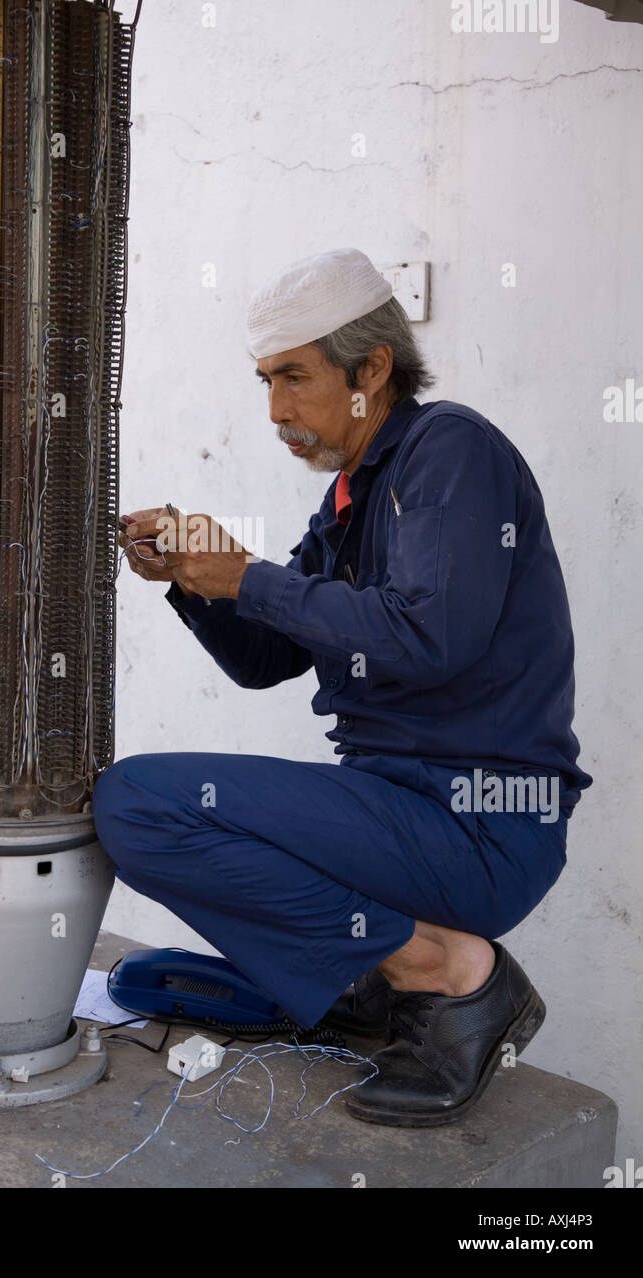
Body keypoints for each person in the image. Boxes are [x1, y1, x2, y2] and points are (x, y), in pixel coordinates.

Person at [92, 248, 592, 1126]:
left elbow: (430, 638)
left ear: (372, 370)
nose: (278, 411)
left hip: (482, 822)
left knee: (138, 802)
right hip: (400, 809)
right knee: (142, 807)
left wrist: (249, 576)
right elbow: (266, 659)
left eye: (295, 378)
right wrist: (191, 580)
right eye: (264, 383)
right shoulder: (356, 493)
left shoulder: (453, 452)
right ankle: (380, 977)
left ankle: (446, 976)